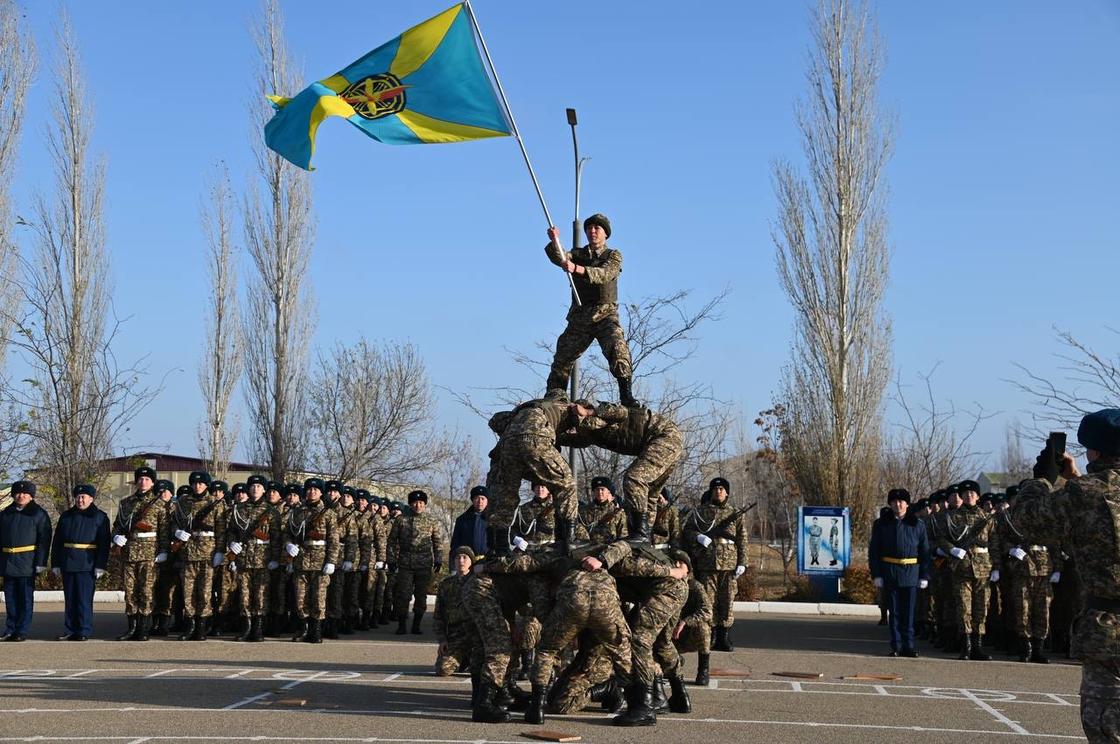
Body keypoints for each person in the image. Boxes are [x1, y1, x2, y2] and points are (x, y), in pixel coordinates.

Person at [1012, 410, 1120, 743]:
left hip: (1110, 632)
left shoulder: (1082, 494)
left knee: (1108, 726)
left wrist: (1043, 480)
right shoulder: (1083, 491)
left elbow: (1025, 520)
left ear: (1095, 452)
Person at [542, 215, 637, 406]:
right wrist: (555, 241)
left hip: (605, 315)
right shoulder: (578, 254)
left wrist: (577, 269)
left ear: (605, 234)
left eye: (597, 228)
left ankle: (626, 395)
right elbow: (560, 258)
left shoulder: (613, 255)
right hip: (580, 316)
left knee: (618, 348)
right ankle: (555, 394)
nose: (592, 231)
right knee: (563, 355)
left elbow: (604, 274)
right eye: (589, 228)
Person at [682, 477, 748, 652]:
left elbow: (742, 539)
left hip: (729, 565)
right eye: (715, 489)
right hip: (707, 563)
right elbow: (687, 531)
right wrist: (698, 536)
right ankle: (709, 636)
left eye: (721, 489)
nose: (718, 492)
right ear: (711, 492)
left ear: (727, 492)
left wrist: (743, 562)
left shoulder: (736, 513)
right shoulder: (700, 512)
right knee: (708, 602)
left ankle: (723, 637)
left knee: (727, 601)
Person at [868, 489, 930, 657]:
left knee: (909, 612)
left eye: (901, 501)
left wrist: (924, 575)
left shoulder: (917, 524)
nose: (898, 504)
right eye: (894, 501)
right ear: (890, 504)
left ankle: (908, 646)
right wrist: (877, 574)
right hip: (890, 571)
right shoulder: (882, 524)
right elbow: (874, 551)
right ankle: (896, 645)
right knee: (894, 611)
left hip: (911, 572)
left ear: (907, 504)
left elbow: (924, 551)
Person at [937, 479, 994, 660]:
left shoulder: (987, 518)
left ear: (977, 496)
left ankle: (978, 646)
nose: (969, 496)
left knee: (981, 608)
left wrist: (997, 567)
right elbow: (941, 538)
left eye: (972, 493)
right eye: (966, 493)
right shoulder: (951, 517)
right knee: (963, 607)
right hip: (962, 568)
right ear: (961, 496)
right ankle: (966, 646)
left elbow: (996, 543)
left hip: (983, 567)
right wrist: (951, 549)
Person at [112, 466, 171, 642]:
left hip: (149, 553)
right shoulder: (125, 503)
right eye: (140, 479)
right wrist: (115, 537)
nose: (143, 482)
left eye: (147, 479)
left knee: (146, 591)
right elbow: (117, 524)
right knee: (130, 592)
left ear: (152, 482)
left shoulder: (159, 504)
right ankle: (132, 628)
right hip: (129, 552)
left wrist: (163, 551)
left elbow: (164, 530)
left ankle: (144, 629)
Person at [171, 471, 226, 641]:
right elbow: (173, 522)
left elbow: (221, 530)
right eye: (194, 483)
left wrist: (219, 552)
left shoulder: (215, 503)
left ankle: (202, 626)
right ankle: (190, 626)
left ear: (207, 485)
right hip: (188, 553)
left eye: (201, 483)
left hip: (207, 553)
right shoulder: (182, 502)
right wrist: (177, 532)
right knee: (188, 591)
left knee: (204, 592)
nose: (197, 486)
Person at [51, 484, 110, 641]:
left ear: (91, 498)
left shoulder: (100, 517)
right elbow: (57, 541)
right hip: (68, 561)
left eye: (83, 497)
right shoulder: (66, 516)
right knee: (70, 599)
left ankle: (84, 630)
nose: (80, 500)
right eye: (78, 497)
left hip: (87, 563)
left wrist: (100, 565)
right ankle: (70, 629)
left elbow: (104, 543)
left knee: (84, 599)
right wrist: (56, 563)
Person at [284, 478, 340, 643]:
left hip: (320, 561)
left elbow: (333, 540)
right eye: (309, 489)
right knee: (301, 597)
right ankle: (304, 629)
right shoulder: (297, 511)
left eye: (316, 489)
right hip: (300, 560)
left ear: (321, 492)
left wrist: (331, 561)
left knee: (318, 597)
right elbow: (288, 533)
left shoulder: (329, 513)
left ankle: (316, 631)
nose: (312, 492)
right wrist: (288, 545)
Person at [387, 489, 444, 635]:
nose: (418, 505)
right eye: (415, 503)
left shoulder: (432, 520)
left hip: (424, 563)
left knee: (421, 595)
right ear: (410, 504)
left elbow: (437, 541)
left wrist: (438, 558)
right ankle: (401, 624)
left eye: (420, 503)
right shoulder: (401, 520)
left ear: (424, 504)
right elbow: (392, 541)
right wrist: (391, 559)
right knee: (403, 594)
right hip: (405, 562)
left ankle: (416, 625)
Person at [1, 480, 52, 641]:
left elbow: (44, 540)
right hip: (8, 561)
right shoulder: (5, 513)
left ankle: (21, 630)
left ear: (31, 496)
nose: (21, 496)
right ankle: (10, 628)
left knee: (24, 598)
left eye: (25, 493)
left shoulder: (39, 514)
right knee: (10, 598)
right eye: (17, 493)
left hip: (27, 562)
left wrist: (41, 562)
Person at [433, 546, 481, 676]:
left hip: (477, 636)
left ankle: (470, 659)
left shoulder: (479, 583)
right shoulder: (446, 585)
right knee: (443, 669)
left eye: (465, 557)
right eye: (458, 557)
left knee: (484, 669)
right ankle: (462, 659)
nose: (461, 560)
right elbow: (438, 616)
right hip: (456, 636)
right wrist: (442, 640)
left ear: (471, 562)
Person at [450, 485, 489, 561]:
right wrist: (453, 567)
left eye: (483, 498)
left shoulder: (494, 520)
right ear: (472, 500)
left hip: (489, 561)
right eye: (477, 498)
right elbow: (455, 545)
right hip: (467, 562)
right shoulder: (462, 520)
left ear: (487, 501)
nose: (480, 501)